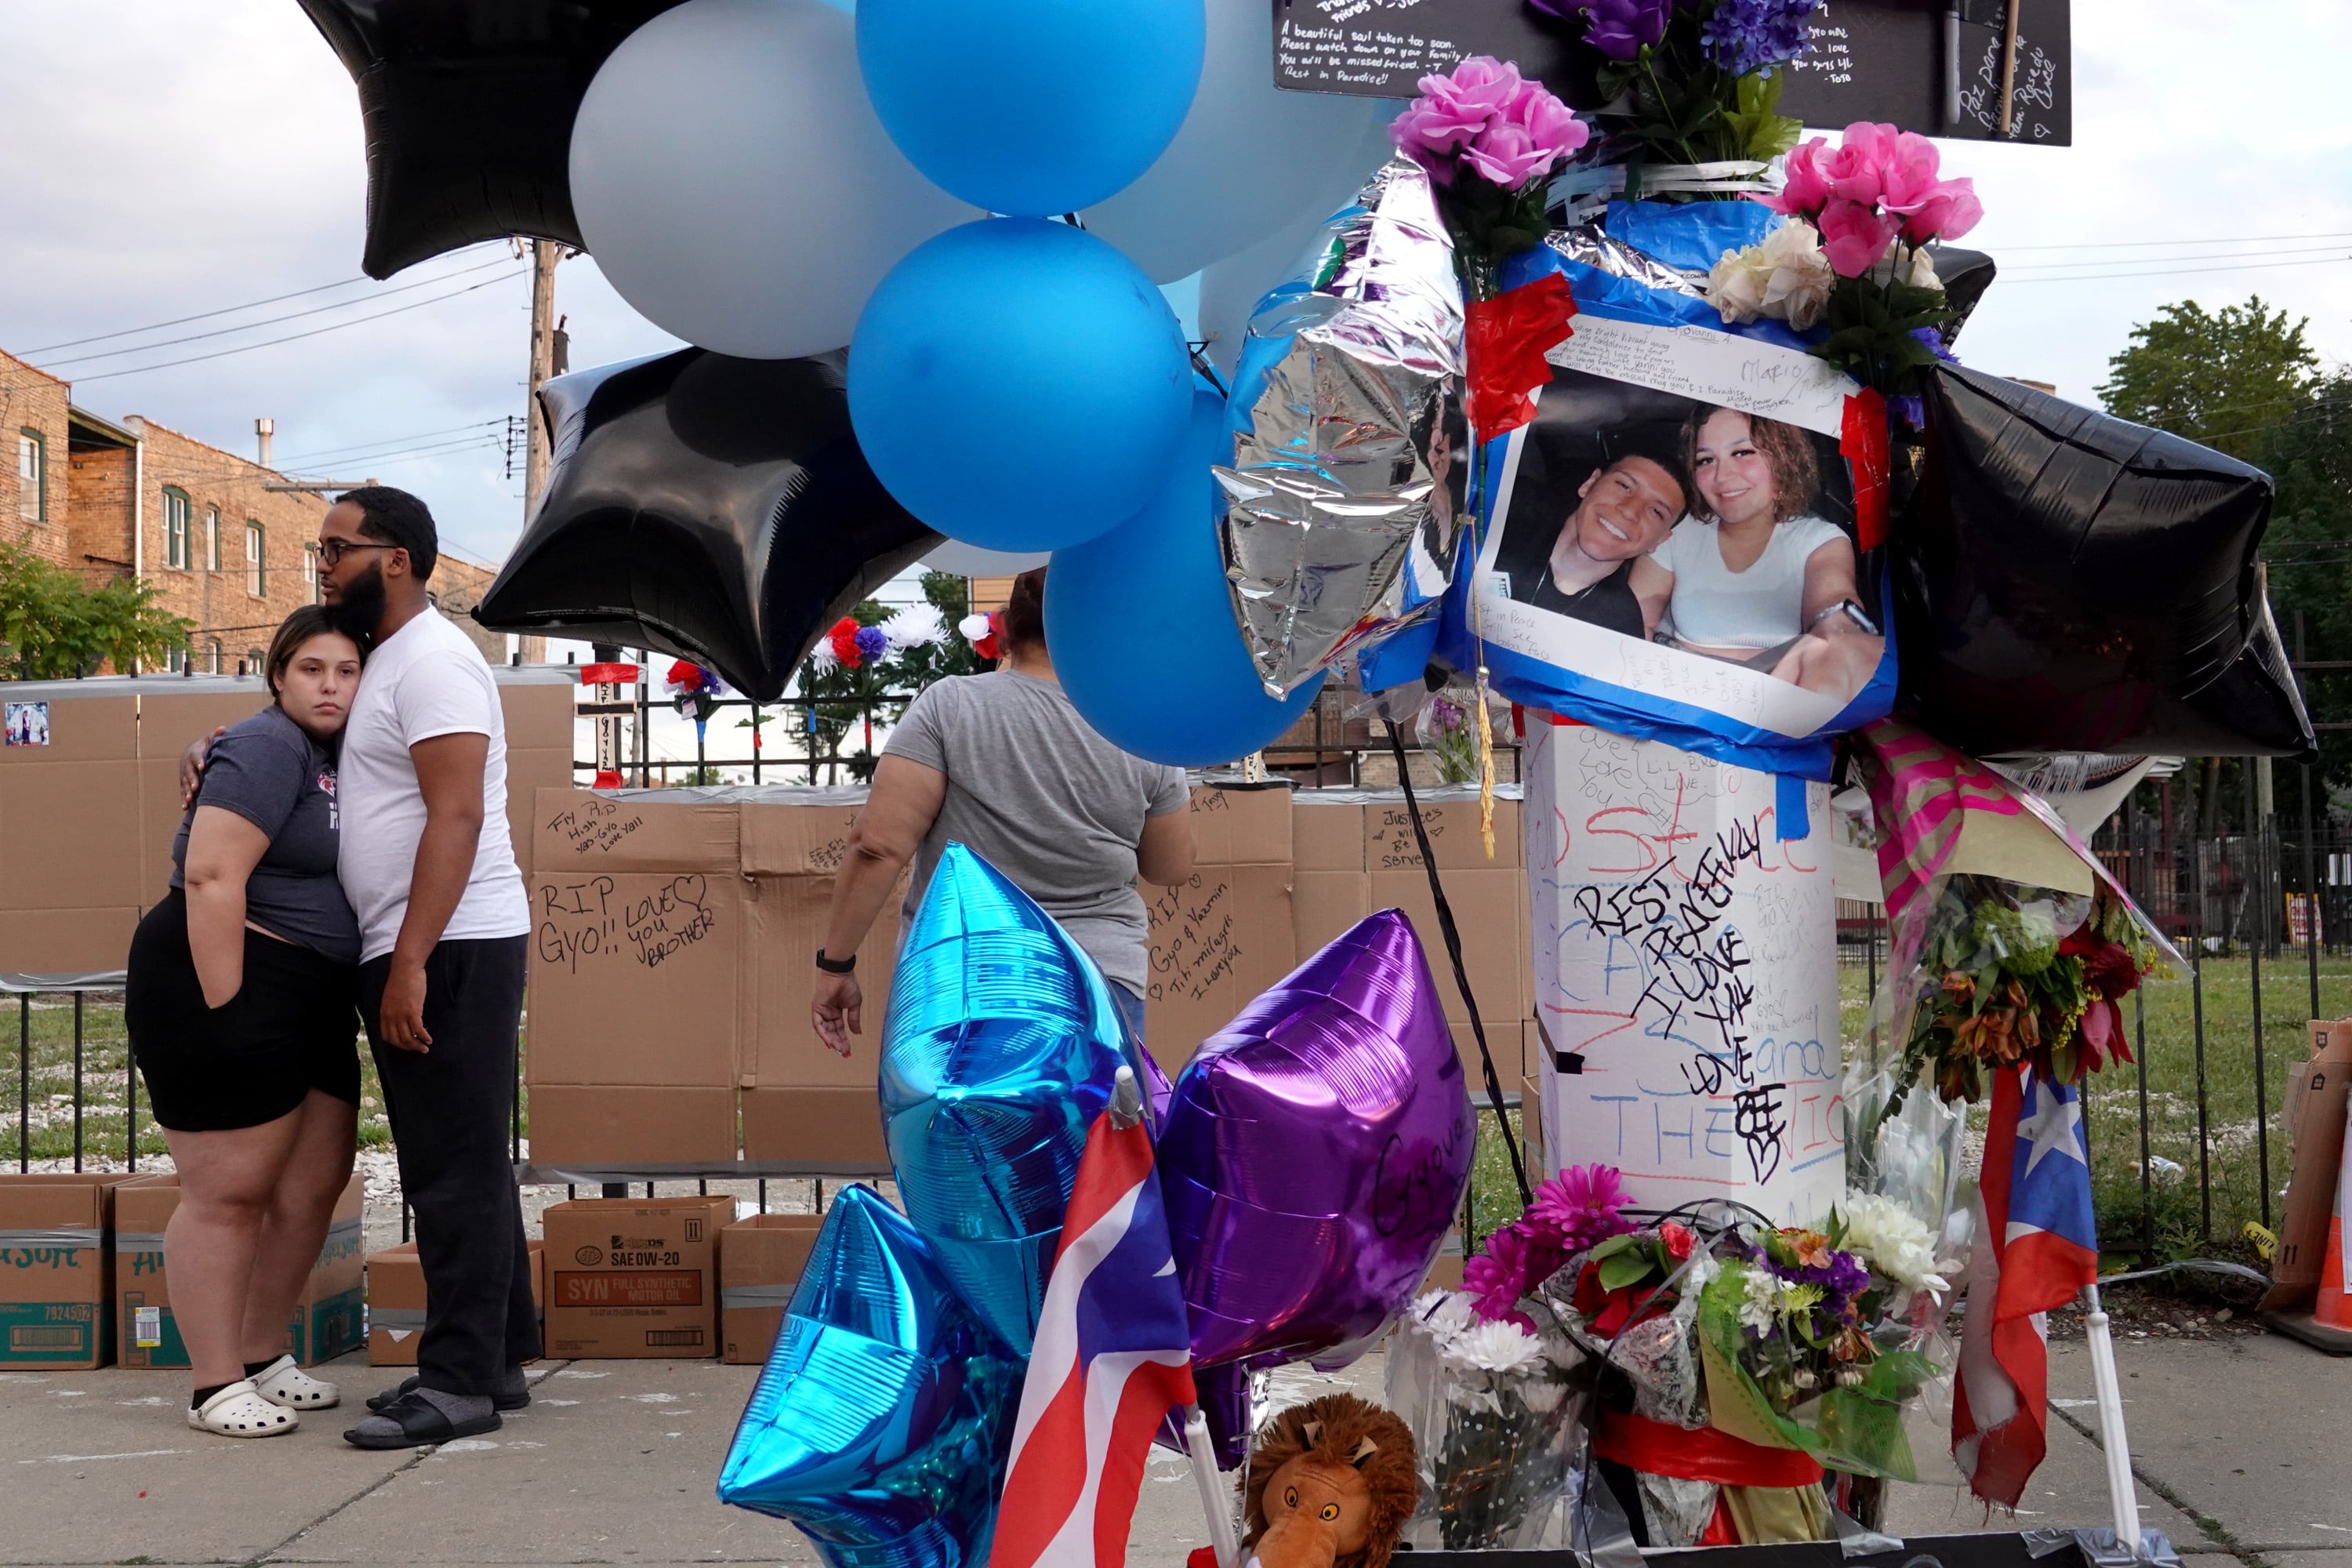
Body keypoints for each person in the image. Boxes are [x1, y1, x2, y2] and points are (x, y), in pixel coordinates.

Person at [310, 486, 536, 1447]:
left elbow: (457, 815)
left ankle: (455, 1383)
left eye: (335, 548)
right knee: (460, 1158)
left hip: (447, 944)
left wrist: (409, 960)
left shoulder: (437, 660)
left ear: (394, 557)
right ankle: (492, 1359)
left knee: (454, 1169)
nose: (321, 564)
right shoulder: (395, 660)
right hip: (424, 942)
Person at [127, 608, 365, 1439]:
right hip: (228, 975)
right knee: (229, 1190)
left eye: (345, 670)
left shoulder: (343, 752)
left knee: (310, 1185)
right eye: (311, 668)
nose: (330, 685)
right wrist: (225, 1008)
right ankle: (213, 1381)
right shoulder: (267, 744)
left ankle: (265, 1354)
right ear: (277, 675)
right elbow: (211, 873)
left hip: (313, 986)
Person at [811, 568, 1196, 1056]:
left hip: (963, 979)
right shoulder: (1140, 726)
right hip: (1098, 981)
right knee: (1096, 1131)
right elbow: (1171, 867)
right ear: (1100, 624)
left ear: (1006, 628)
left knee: (959, 1133)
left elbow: (876, 847)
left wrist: (836, 967)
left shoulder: (951, 706)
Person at [1629, 406, 1883, 702]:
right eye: (1706, 460)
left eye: (1742, 453)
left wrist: (1842, 638)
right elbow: (1633, 622)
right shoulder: (1677, 530)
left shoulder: (1819, 540)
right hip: (1673, 693)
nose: (1722, 476)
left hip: (1776, 702)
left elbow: (1834, 604)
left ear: (1784, 458)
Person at [1508, 438, 1688, 638]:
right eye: (1624, 486)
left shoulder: (1620, 629)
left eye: (1656, 511)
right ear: (1590, 483)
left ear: (1659, 541)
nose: (1630, 511)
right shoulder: (1507, 509)